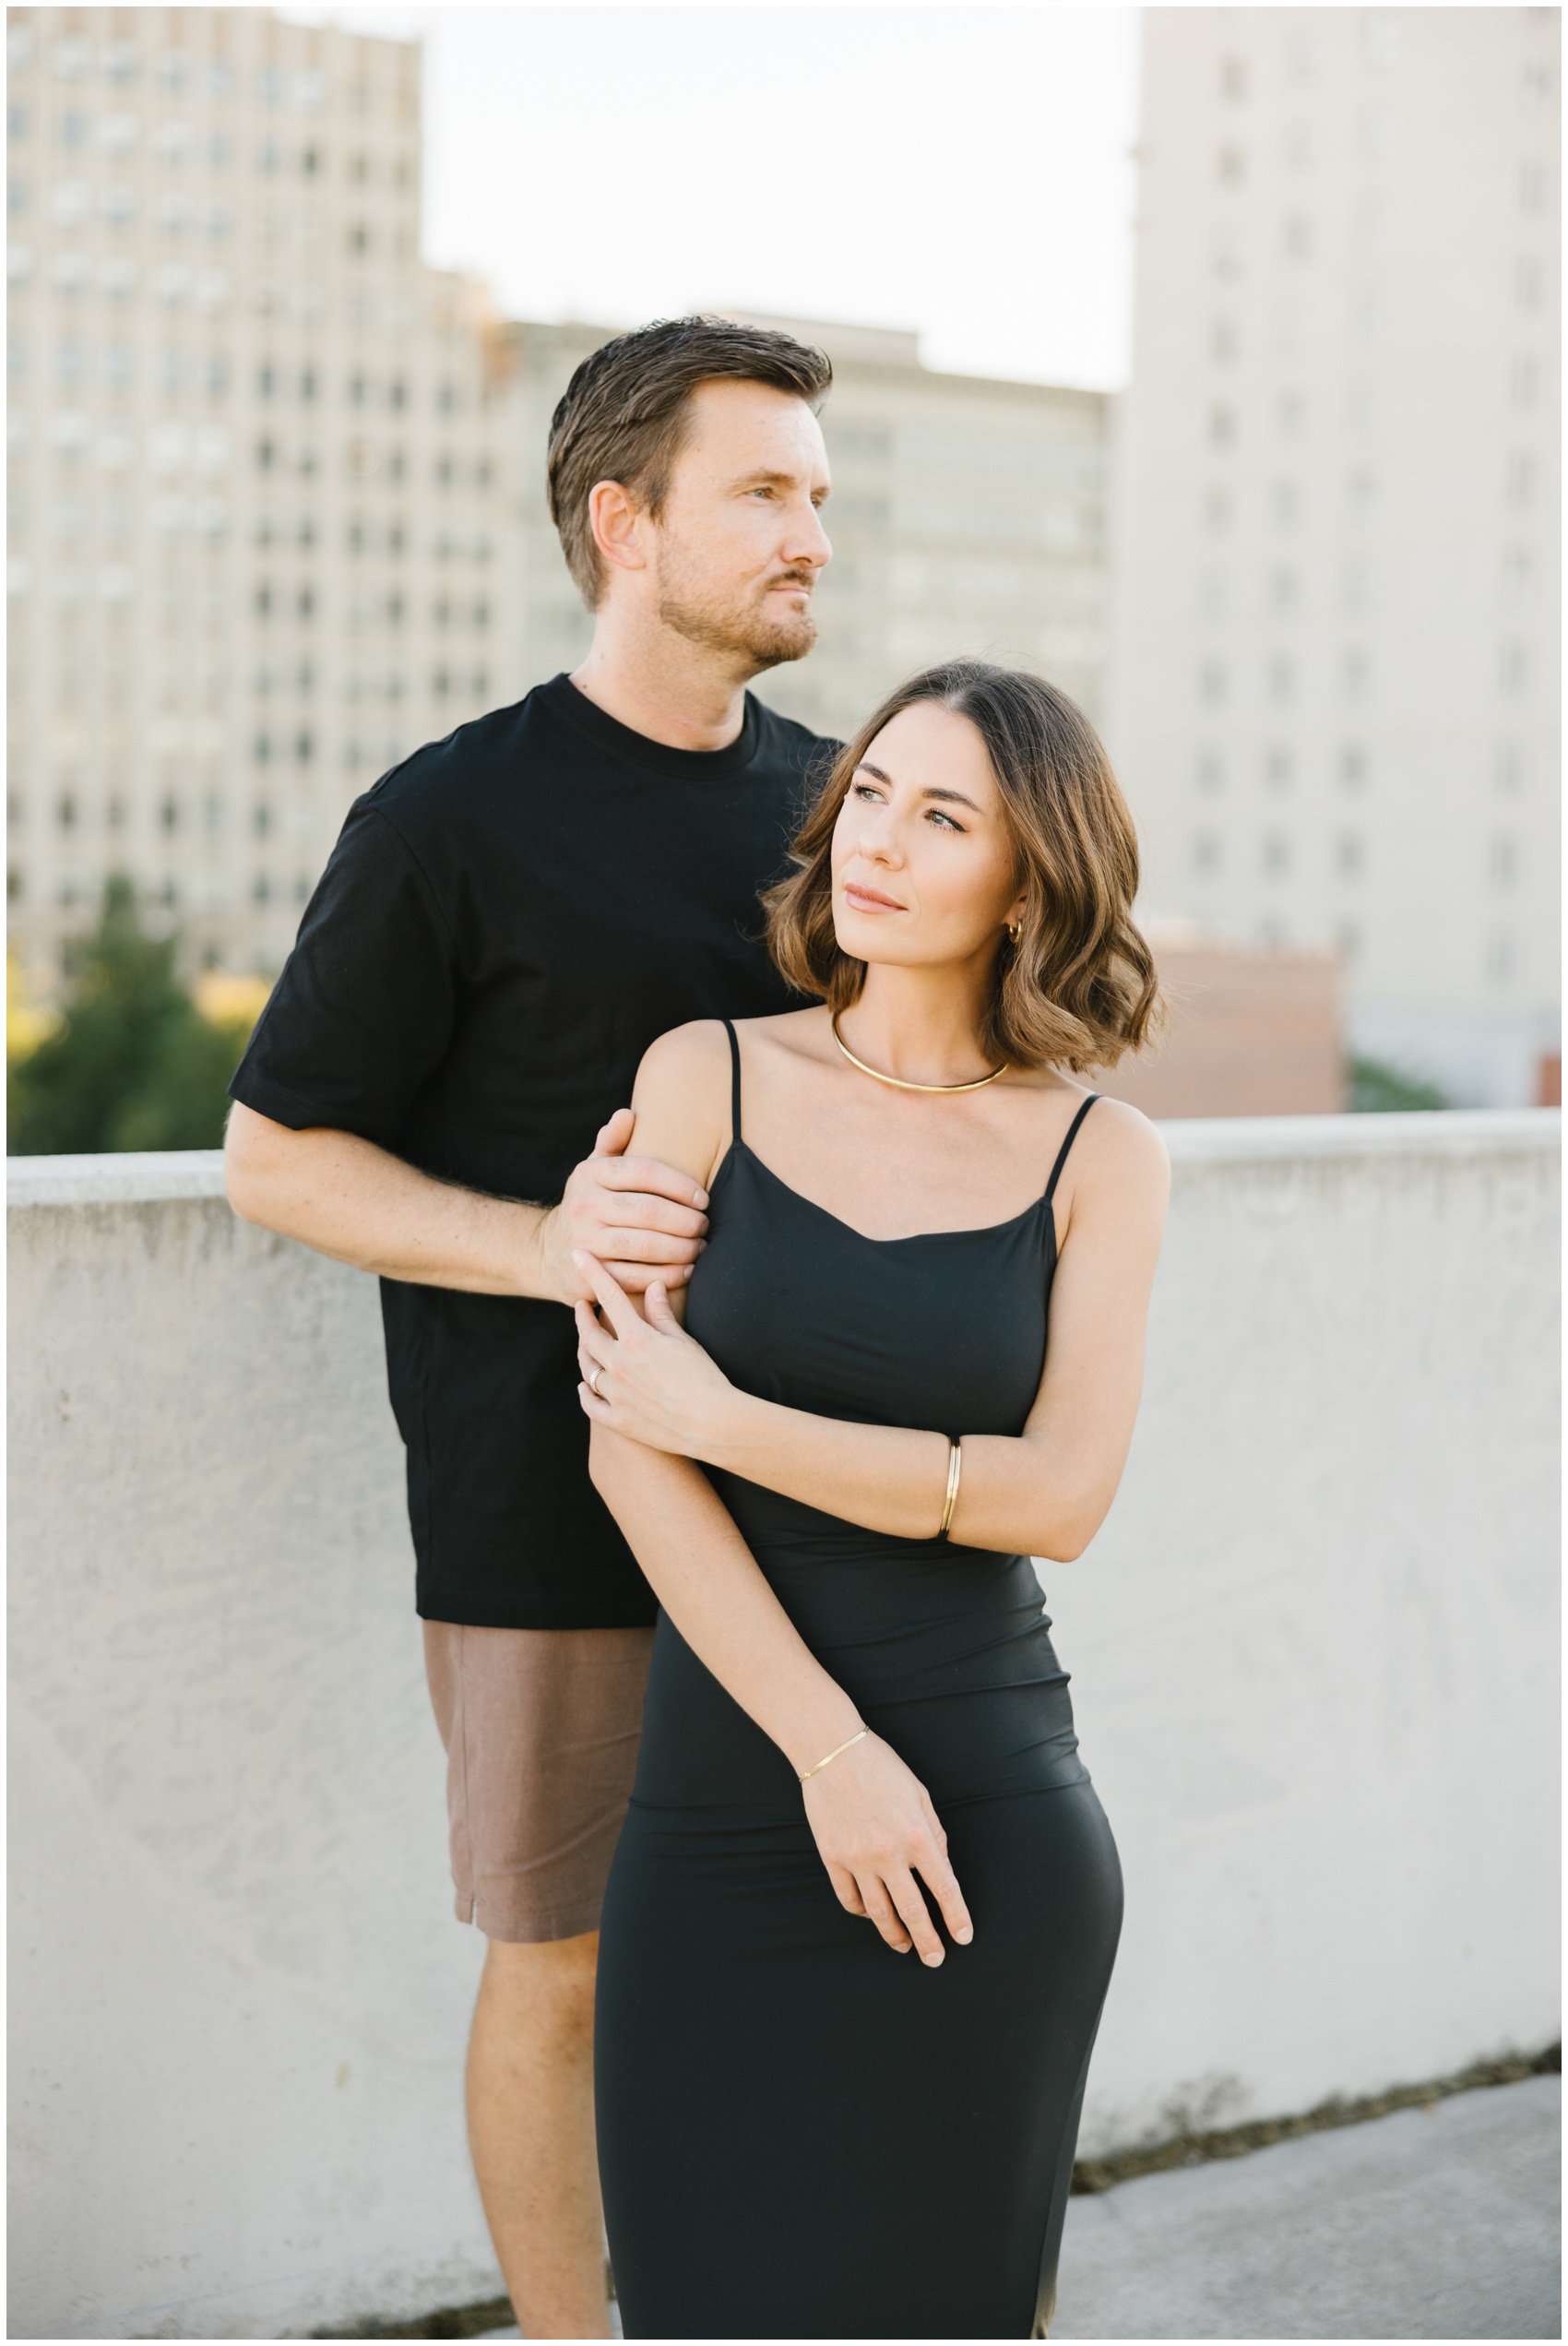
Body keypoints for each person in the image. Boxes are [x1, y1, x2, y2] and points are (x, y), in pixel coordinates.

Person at [222, 316, 837, 2339]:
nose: (809, 533)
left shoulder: (857, 821)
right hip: (541, 1507)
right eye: (762, 491)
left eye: (820, 497)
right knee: (562, 1960)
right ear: (620, 521)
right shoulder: (447, 822)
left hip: (822, 1499)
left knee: (802, 1952)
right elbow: (281, 1160)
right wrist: (549, 1246)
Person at [572, 660, 1170, 2340]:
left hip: (989, 1822)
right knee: (693, 2299)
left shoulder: (1100, 1157)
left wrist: (729, 1416)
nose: (877, 841)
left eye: (944, 814)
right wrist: (832, 1755)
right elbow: (633, 1448)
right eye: (874, 796)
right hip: (728, 1801)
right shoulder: (707, 1075)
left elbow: (1061, 1500)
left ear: (1029, 880)